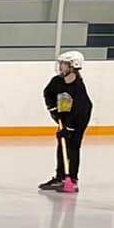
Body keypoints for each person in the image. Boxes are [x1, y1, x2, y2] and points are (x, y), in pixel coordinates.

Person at [39, 51, 92, 194]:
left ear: (73, 66)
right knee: (61, 145)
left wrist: (69, 127)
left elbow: (80, 109)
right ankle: (60, 177)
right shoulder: (57, 82)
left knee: (72, 147)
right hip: (64, 117)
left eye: (63, 64)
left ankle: (72, 180)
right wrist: (54, 110)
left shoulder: (78, 87)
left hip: (79, 119)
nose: (60, 66)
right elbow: (47, 93)